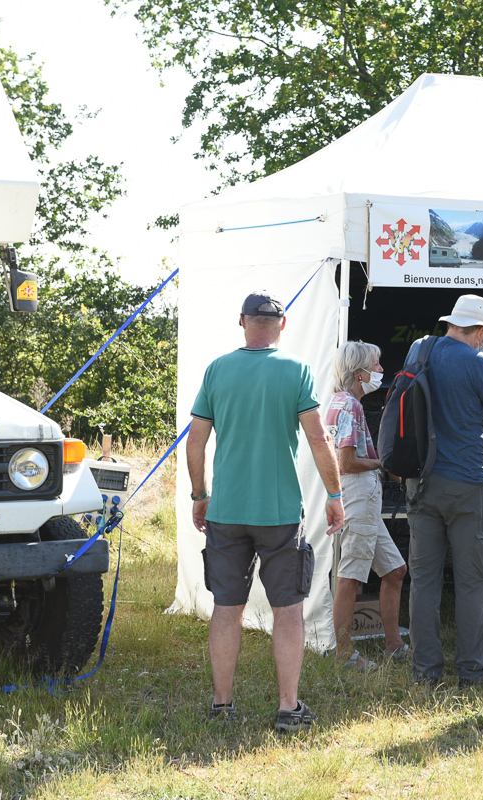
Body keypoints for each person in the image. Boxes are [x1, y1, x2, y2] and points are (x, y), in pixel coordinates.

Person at [186, 290, 345, 734]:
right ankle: (288, 708)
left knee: (226, 607)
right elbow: (319, 438)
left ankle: (222, 705)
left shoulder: (217, 369)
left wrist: (200, 494)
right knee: (288, 609)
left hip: (226, 510)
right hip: (279, 513)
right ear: (282, 323)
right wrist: (334, 494)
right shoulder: (295, 370)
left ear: (242, 321)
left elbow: (195, 441)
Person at [405, 294, 483, 687]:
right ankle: (472, 672)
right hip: (468, 484)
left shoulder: (419, 349)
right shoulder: (479, 362)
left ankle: (425, 672)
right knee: (473, 581)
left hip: (421, 480)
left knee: (424, 580)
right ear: (480, 333)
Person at [325, 340, 409, 672]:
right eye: (375, 365)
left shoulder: (341, 402)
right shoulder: (350, 406)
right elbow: (346, 462)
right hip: (358, 496)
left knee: (395, 570)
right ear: (358, 373)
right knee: (350, 576)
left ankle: (394, 645)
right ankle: (344, 655)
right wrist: (383, 464)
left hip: (362, 498)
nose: (381, 370)